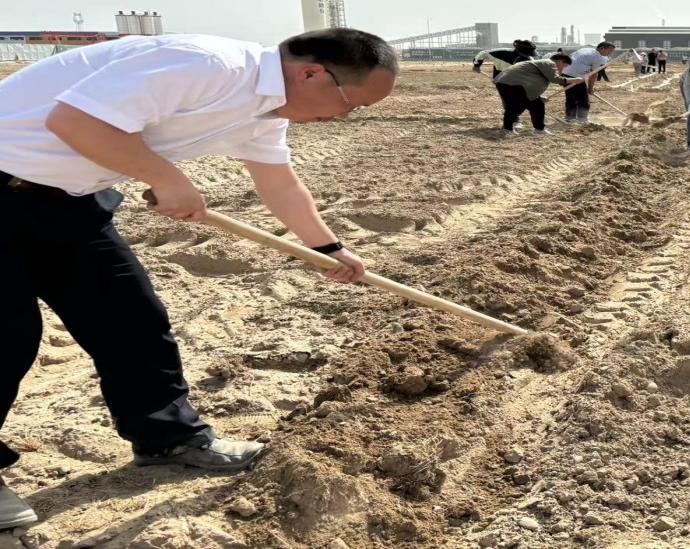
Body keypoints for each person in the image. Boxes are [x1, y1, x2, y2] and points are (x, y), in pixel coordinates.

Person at [0, 28, 397, 530]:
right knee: (8, 335)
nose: (343, 116)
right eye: (350, 104)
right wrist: (165, 178)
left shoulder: (265, 111)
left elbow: (278, 181)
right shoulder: (206, 65)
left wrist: (327, 248)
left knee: (132, 319)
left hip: (70, 201)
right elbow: (74, 120)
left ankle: (168, 437)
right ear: (311, 72)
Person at [493, 54, 582, 135]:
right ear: (560, 61)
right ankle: (533, 129)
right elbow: (555, 79)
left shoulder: (542, 64)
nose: (563, 69)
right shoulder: (550, 63)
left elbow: (532, 82)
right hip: (512, 83)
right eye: (564, 66)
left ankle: (513, 129)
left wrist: (537, 96)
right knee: (526, 106)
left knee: (527, 105)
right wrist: (575, 80)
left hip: (506, 82)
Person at [562, 42, 615, 123]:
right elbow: (593, 75)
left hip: (565, 73)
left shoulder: (586, 49)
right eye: (610, 50)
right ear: (602, 48)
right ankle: (582, 118)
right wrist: (590, 89)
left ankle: (570, 117)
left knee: (571, 97)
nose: (610, 53)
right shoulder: (597, 57)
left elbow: (571, 57)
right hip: (575, 76)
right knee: (583, 98)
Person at [472, 39, 537, 79]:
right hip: (500, 75)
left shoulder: (529, 59)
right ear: (519, 51)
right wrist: (477, 65)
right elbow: (482, 54)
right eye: (527, 54)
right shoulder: (501, 53)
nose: (528, 56)